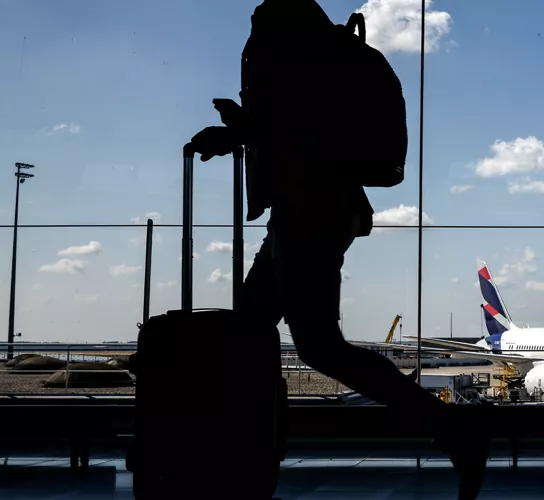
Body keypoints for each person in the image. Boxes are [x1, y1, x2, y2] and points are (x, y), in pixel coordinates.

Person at [188, 1, 488, 498]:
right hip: (307, 211)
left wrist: (244, 130)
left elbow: (306, 132)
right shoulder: (327, 52)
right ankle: (256, 450)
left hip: (310, 210)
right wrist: (247, 128)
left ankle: (454, 428)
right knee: (255, 334)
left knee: (309, 342)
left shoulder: (305, 54)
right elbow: (314, 130)